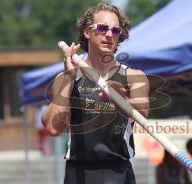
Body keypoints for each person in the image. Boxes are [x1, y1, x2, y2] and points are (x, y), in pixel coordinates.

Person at [41, 3, 150, 184]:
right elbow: (52, 128)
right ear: (86, 32)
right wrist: (69, 77)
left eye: (115, 30)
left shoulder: (133, 76)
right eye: (102, 28)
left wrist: (123, 100)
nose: (109, 34)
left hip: (118, 172)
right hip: (78, 172)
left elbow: (144, 115)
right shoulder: (67, 77)